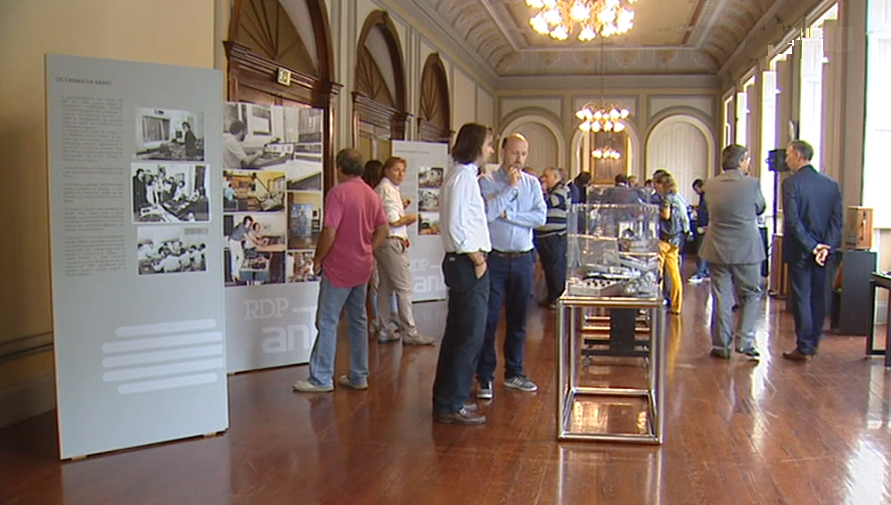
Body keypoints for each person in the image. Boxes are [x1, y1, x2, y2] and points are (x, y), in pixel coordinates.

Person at [292, 149, 388, 392]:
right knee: (358, 320)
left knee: (327, 319)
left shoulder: (338, 193)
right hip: (362, 266)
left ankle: (321, 378)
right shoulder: (370, 193)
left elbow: (330, 231)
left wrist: (317, 258)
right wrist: (367, 248)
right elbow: (383, 230)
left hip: (339, 267)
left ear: (340, 168)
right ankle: (359, 375)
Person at [476, 133, 547, 400]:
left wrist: (512, 214)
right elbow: (487, 214)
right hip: (494, 258)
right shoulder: (486, 182)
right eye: (515, 152)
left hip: (523, 258)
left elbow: (539, 217)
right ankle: (485, 376)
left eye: (524, 154)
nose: (519, 159)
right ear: (503, 152)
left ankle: (514, 373)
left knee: (519, 319)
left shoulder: (532, 184)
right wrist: (509, 191)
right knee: (490, 319)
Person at [432, 123, 493, 425]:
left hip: (467, 262)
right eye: (488, 144)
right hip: (467, 263)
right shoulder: (461, 179)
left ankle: (450, 399)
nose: (490, 150)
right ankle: (451, 402)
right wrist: (478, 258)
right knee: (467, 336)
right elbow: (457, 226)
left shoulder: (464, 177)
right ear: (476, 145)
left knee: (462, 334)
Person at [699, 145, 766, 360]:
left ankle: (721, 345)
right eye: (747, 160)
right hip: (746, 248)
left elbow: (708, 208)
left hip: (717, 246)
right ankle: (745, 342)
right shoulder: (752, 184)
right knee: (750, 294)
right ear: (741, 161)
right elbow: (760, 207)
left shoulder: (709, 185)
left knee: (722, 296)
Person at [781, 140, 843, 361]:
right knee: (819, 296)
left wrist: (812, 246)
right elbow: (837, 222)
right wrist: (825, 246)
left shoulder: (791, 184)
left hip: (801, 250)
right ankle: (814, 341)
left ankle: (804, 345)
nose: (786, 159)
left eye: (788, 154)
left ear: (798, 155)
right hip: (825, 252)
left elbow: (793, 221)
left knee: (801, 297)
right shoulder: (831, 184)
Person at [374, 157, 434, 345]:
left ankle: (384, 328)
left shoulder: (385, 190)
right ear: (386, 171)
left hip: (385, 242)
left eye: (403, 170)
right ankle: (410, 331)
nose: (401, 174)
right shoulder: (386, 190)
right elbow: (393, 221)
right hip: (392, 241)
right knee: (404, 288)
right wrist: (410, 218)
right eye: (396, 170)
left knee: (385, 287)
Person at [535, 167, 570, 308]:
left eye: (547, 176)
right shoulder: (550, 191)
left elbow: (546, 204)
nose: (543, 179)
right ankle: (551, 296)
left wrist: (541, 191)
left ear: (556, 178)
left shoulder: (562, 190)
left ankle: (557, 297)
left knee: (556, 267)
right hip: (544, 236)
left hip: (555, 236)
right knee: (548, 268)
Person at [654, 172, 686, 315]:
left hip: (664, 238)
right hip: (675, 239)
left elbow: (665, 215)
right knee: (674, 273)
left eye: (656, 183)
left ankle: (656, 301)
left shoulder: (665, 197)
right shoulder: (677, 197)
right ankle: (676, 304)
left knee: (657, 270)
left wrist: (655, 211)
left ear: (661, 184)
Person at [689, 178, 710, 283]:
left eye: (696, 189)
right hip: (703, 226)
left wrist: (706, 226)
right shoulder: (704, 197)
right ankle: (705, 271)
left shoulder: (707, 197)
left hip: (705, 227)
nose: (696, 192)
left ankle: (700, 273)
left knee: (701, 251)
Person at [228, 215, 253, 282]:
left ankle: (236, 273)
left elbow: (252, 236)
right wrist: (257, 244)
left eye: (250, 223)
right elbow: (248, 237)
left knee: (241, 257)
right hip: (233, 241)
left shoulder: (248, 228)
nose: (248, 225)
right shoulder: (241, 227)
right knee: (234, 257)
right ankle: (234, 274)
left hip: (238, 241)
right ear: (244, 222)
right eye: (248, 223)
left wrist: (259, 242)